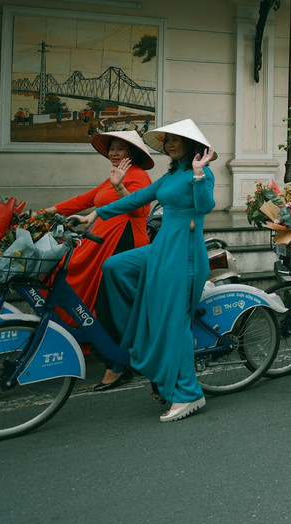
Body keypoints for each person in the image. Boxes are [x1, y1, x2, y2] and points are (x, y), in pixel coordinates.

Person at [71, 119, 217, 423]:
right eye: (167, 140)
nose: (170, 144)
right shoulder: (171, 175)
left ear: (191, 145)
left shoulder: (199, 174)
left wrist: (201, 173)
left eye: (177, 140)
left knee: (176, 325)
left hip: (184, 255)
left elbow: (204, 207)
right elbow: (138, 199)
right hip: (162, 248)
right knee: (114, 266)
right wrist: (94, 214)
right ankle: (144, 324)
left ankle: (190, 394)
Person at [43, 130, 155, 391]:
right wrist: (41, 213)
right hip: (101, 242)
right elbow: (83, 201)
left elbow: (139, 209)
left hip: (123, 244)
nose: (114, 153)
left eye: (121, 149)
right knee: (83, 291)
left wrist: (120, 186)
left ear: (133, 153)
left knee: (107, 303)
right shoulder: (111, 178)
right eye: (112, 149)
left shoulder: (139, 175)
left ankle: (116, 364)